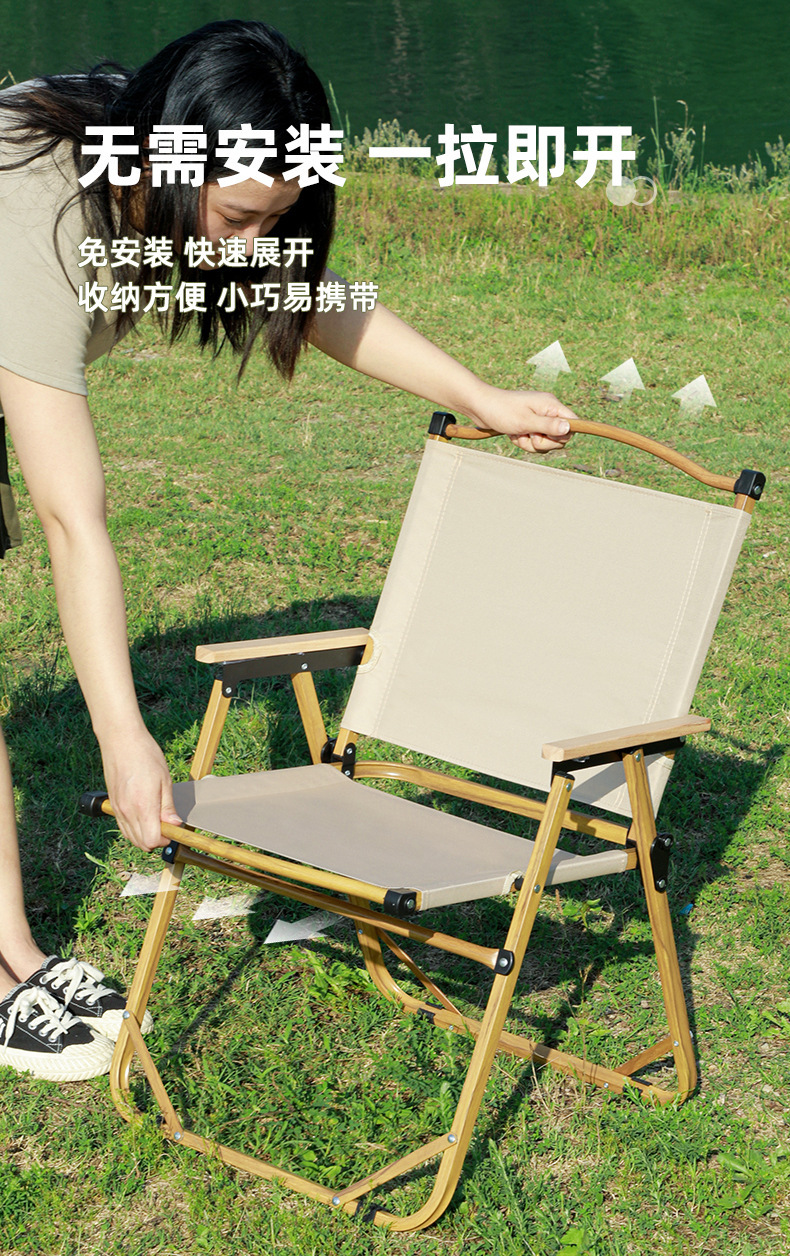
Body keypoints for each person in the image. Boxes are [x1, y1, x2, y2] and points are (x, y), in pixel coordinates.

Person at [0, 20, 574, 1080]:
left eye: (275, 220)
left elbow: (310, 298)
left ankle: (9, 957)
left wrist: (478, 396)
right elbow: (73, 517)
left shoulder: (165, 155)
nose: (252, 250)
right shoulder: (38, 221)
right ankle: (6, 967)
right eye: (237, 220)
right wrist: (123, 737)